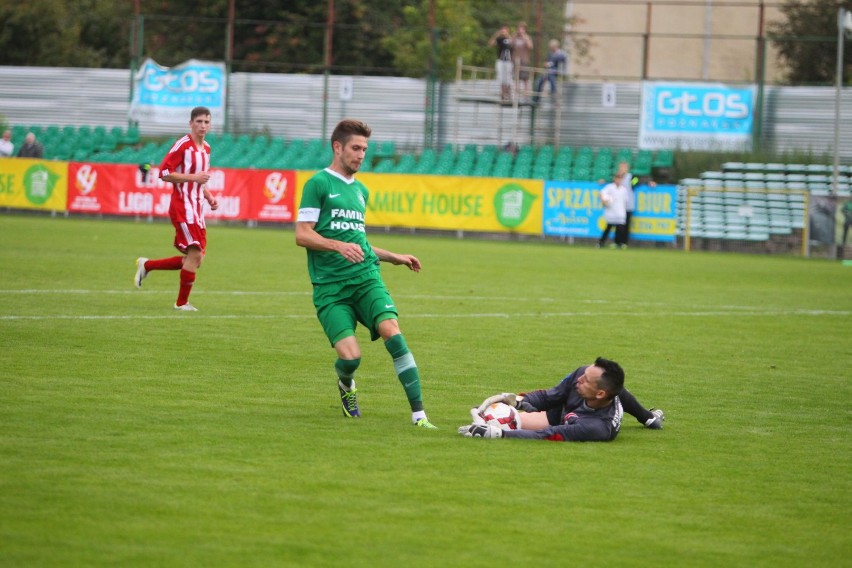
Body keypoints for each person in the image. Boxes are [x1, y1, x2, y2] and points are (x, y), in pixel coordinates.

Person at [295, 119, 437, 429]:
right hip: (330, 287)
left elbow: (357, 243)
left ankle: (419, 415)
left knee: (392, 331)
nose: (361, 155)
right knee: (350, 359)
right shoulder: (317, 184)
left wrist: (393, 257)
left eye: (365, 149)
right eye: (356, 148)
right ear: (338, 147)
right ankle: (346, 385)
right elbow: (302, 235)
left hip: (365, 278)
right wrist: (336, 246)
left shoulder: (361, 190)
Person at [133, 106, 219, 311]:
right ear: (191, 123)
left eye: (206, 122)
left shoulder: (206, 148)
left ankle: (147, 265)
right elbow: (163, 172)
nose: (203, 126)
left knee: (195, 259)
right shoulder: (182, 145)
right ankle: (181, 303)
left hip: (197, 208)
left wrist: (208, 196)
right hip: (182, 206)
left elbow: (200, 179)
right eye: (199, 122)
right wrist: (194, 178)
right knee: (195, 254)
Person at [458, 357, 665, 441]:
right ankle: (650, 419)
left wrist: (500, 435)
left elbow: (548, 434)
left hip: (574, 419)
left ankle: (648, 417)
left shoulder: (597, 427)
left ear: (600, 393)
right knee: (510, 419)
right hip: (563, 411)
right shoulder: (581, 375)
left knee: (623, 394)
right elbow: (550, 396)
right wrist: (519, 401)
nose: (579, 378)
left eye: (586, 380)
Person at [598, 171, 629, 248]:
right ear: (614, 179)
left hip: (620, 211)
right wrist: (604, 200)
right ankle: (601, 243)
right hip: (611, 211)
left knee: (620, 229)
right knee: (608, 228)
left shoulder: (623, 189)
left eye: (620, 179)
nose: (618, 180)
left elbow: (625, 201)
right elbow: (602, 193)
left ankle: (618, 243)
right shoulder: (610, 187)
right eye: (617, 179)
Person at [533, 39, 567, 104]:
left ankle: (553, 92)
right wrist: (546, 64)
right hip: (548, 71)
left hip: (555, 72)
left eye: (553, 47)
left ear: (556, 46)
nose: (552, 49)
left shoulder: (560, 54)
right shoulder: (550, 53)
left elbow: (563, 63)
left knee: (551, 77)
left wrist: (562, 71)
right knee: (539, 81)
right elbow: (548, 62)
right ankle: (537, 98)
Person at [488, 25, 514, 103]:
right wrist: (496, 35)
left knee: (508, 77)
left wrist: (508, 36)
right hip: (501, 60)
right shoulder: (499, 39)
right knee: (501, 77)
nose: (503, 32)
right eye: (502, 30)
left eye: (505, 30)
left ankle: (508, 93)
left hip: (508, 60)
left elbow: (512, 44)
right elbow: (490, 44)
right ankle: (502, 93)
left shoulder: (510, 38)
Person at [512, 22, 534, 96]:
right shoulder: (515, 37)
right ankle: (516, 91)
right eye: (519, 29)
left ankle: (526, 92)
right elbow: (510, 44)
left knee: (525, 77)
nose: (520, 30)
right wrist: (513, 36)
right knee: (516, 76)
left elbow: (530, 46)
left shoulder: (527, 37)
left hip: (524, 59)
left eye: (522, 29)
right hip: (515, 59)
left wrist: (525, 37)